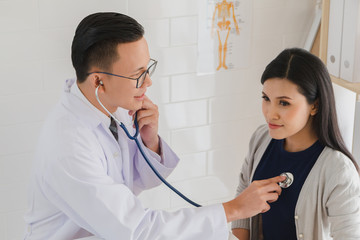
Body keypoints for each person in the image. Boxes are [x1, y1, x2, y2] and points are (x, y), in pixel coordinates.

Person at [24, 12, 285, 240]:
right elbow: (137, 230)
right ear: (98, 82)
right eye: (138, 75)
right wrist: (234, 209)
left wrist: (149, 142)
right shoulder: (68, 145)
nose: (148, 82)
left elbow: (129, 183)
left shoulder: (109, 108)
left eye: (147, 68)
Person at [231, 48, 360, 240]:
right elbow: (243, 191)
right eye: (266, 98)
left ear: (314, 105)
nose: (270, 113)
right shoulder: (261, 138)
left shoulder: (338, 170)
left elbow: (349, 236)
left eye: (284, 103)